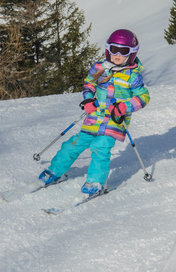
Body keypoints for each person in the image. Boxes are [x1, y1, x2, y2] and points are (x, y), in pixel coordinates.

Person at [38, 29, 150, 195]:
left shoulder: (132, 76)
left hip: (115, 120)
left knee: (100, 148)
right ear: (107, 49)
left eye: (124, 51)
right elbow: (89, 84)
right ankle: (55, 171)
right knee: (73, 145)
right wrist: (88, 99)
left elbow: (143, 97)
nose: (118, 54)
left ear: (132, 54)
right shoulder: (99, 67)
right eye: (114, 49)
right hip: (94, 117)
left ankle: (95, 182)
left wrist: (124, 107)